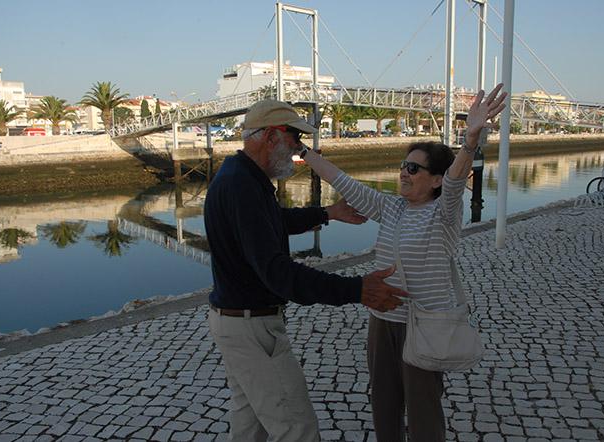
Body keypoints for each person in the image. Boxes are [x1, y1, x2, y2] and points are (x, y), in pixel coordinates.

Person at [300, 84, 507, 441]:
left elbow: (458, 180)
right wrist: (300, 150)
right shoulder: (392, 208)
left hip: (424, 324)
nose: (404, 173)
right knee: (384, 402)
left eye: (414, 168)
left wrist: (470, 139)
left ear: (436, 179)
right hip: (382, 321)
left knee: (423, 408)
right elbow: (343, 182)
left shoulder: (443, 213)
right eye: (402, 165)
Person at [203, 99, 406, 442]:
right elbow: (278, 273)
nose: (298, 148)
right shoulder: (242, 185)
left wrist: (327, 213)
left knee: (249, 427)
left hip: (237, 321)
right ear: (269, 136)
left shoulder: (240, 176)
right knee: (297, 429)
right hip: (252, 328)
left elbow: (272, 223)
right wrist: (357, 289)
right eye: (294, 138)